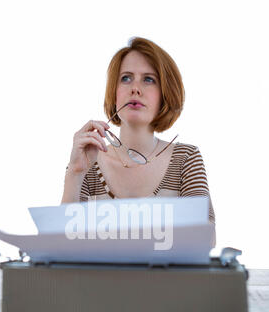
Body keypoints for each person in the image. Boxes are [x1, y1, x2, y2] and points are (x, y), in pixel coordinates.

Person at [61, 37, 216, 247]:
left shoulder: (186, 159)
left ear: (165, 94)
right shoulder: (89, 159)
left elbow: (205, 240)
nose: (135, 88)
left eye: (149, 79)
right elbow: (64, 245)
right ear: (113, 93)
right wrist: (75, 173)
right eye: (126, 78)